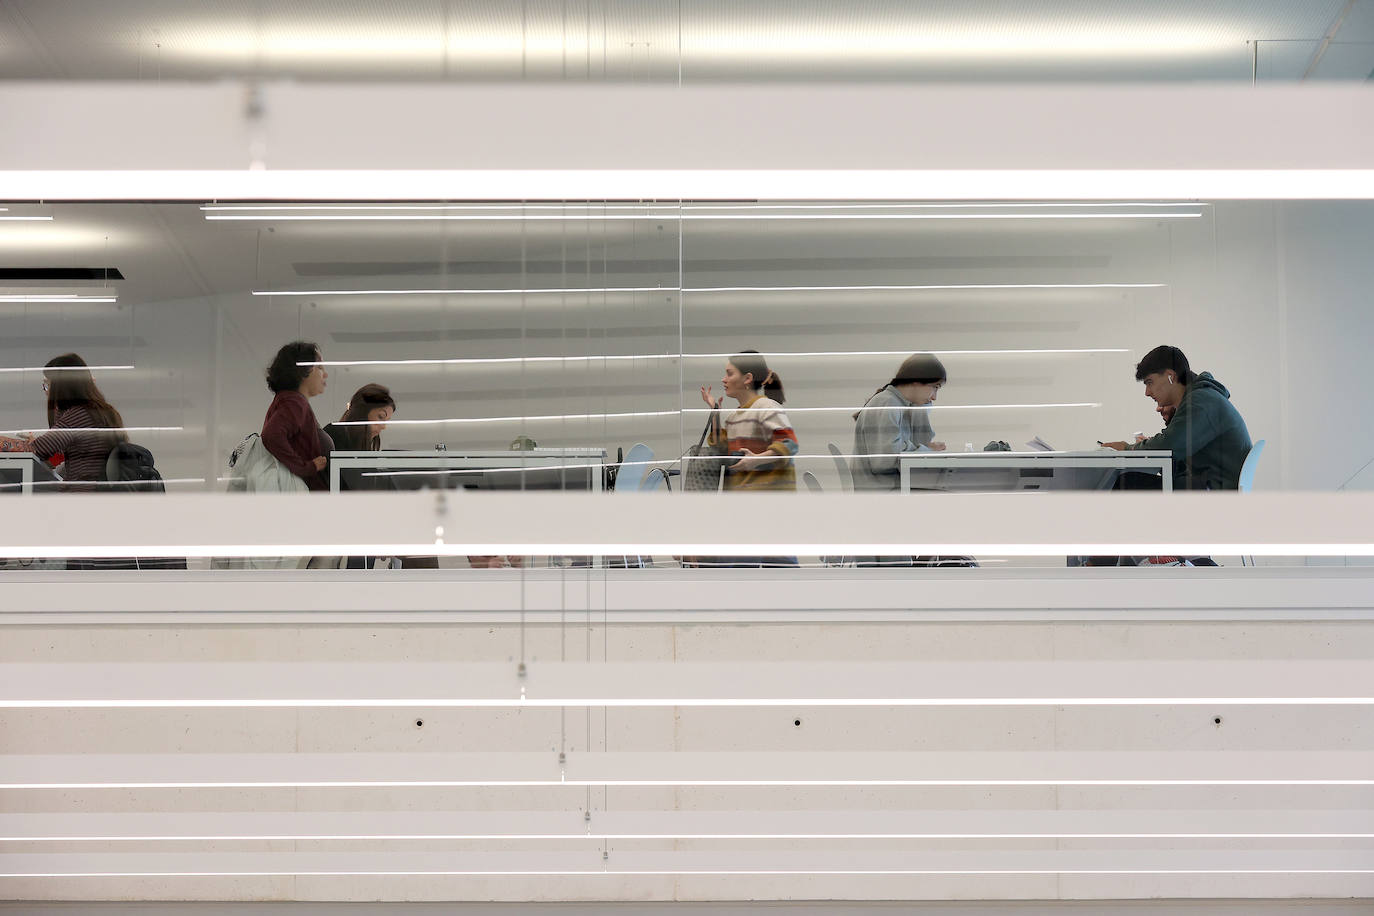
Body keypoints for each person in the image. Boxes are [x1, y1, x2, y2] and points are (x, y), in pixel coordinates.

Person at [695, 350, 799, 568]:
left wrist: (756, 460)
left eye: (729, 373)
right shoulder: (735, 417)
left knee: (779, 572)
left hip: (769, 509)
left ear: (747, 378)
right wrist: (715, 411)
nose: (724, 379)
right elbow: (720, 447)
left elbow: (789, 445)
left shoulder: (767, 408)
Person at [1101, 345, 1252, 491]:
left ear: (1170, 376)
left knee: (1127, 483)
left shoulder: (1201, 401)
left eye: (1149, 382)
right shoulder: (1202, 398)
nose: (1147, 392)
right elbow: (1175, 449)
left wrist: (1129, 448)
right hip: (1213, 485)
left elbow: (1169, 445)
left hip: (1216, 491)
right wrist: (1149, 446)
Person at [0, 353, 126, 492]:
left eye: (47, 386)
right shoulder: (102, 412)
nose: (46, 392)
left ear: (62, 386)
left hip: (82, 496)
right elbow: (62, 451)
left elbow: (35, 450)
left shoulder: (79, 415)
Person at [850, 352, 947, 490]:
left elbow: (922, 442)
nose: (934, 398)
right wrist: (926, 449)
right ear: (917, 380)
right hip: (882, 492)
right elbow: (885, 460)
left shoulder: (902, 405)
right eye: (935, 387)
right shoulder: (888, 402)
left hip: (891, 488)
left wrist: (922, 408)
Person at [261, 341, 333, 491]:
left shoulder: (287, 401)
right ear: (302, 371)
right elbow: (272, 435)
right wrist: (306, 467)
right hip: (306, 499)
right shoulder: (294, 402)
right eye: (319, 367)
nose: (325, 374)